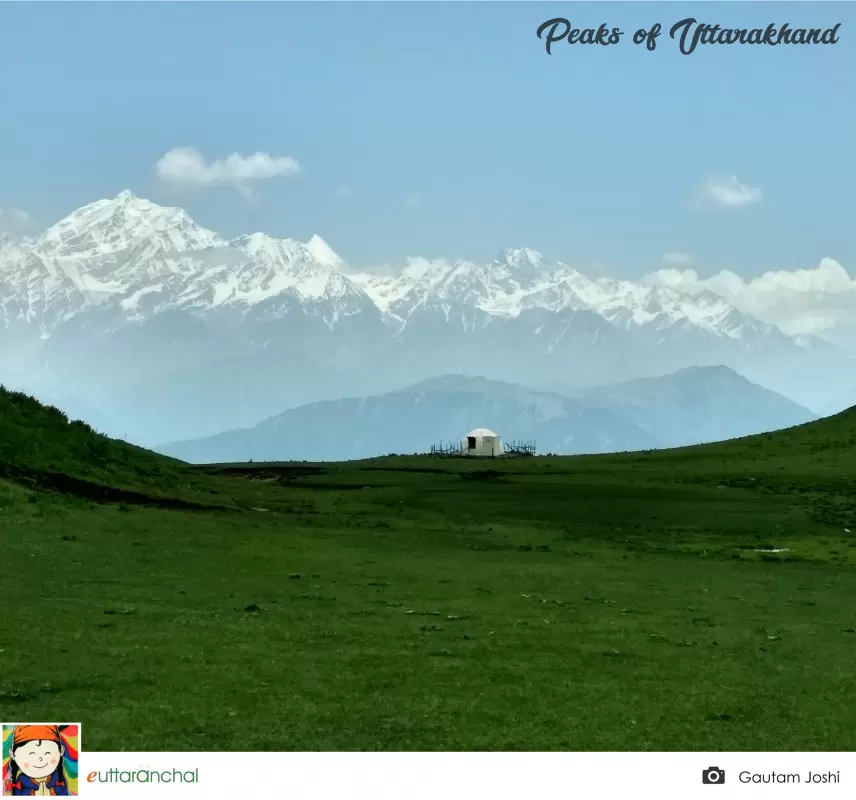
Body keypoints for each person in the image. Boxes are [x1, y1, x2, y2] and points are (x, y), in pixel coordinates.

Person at [6, 725, 69, 796]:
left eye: (47, 753)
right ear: (13, 755)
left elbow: (64, 793)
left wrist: (51, 793)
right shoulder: (22, 780)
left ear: (61, 751)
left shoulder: (58, 777)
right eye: (31, 754)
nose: (40, 759)